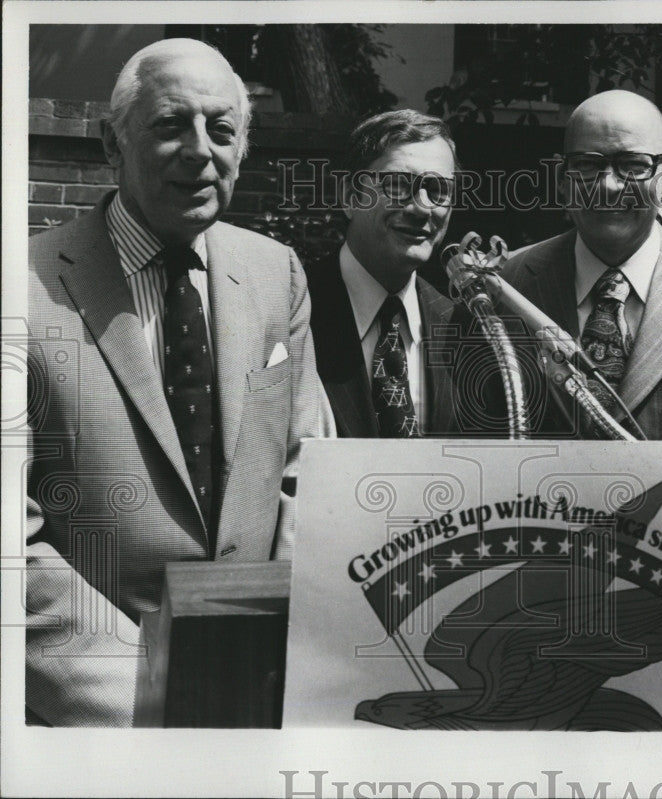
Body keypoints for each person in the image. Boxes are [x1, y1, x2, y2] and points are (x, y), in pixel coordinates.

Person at [26, 38, 333, 726]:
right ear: (113, 142)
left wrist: (270, 651)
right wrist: (137, 687)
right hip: (98, 718)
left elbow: (304, 475)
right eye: (170, 124)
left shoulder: (275, 274)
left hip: (258, 691)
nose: (201, 150)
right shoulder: (22, 290)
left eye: (222, 128)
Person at [501, 90, 662, 439]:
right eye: (586, 164)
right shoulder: (507, 283)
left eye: (633, 166)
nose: (609, 185)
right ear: (563, 178)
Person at [309, 110, 494, 437]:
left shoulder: (464, 330)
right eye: (398, 185)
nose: (422, 208)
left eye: (438, 189)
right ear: (351, 197)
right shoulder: (292, 312)